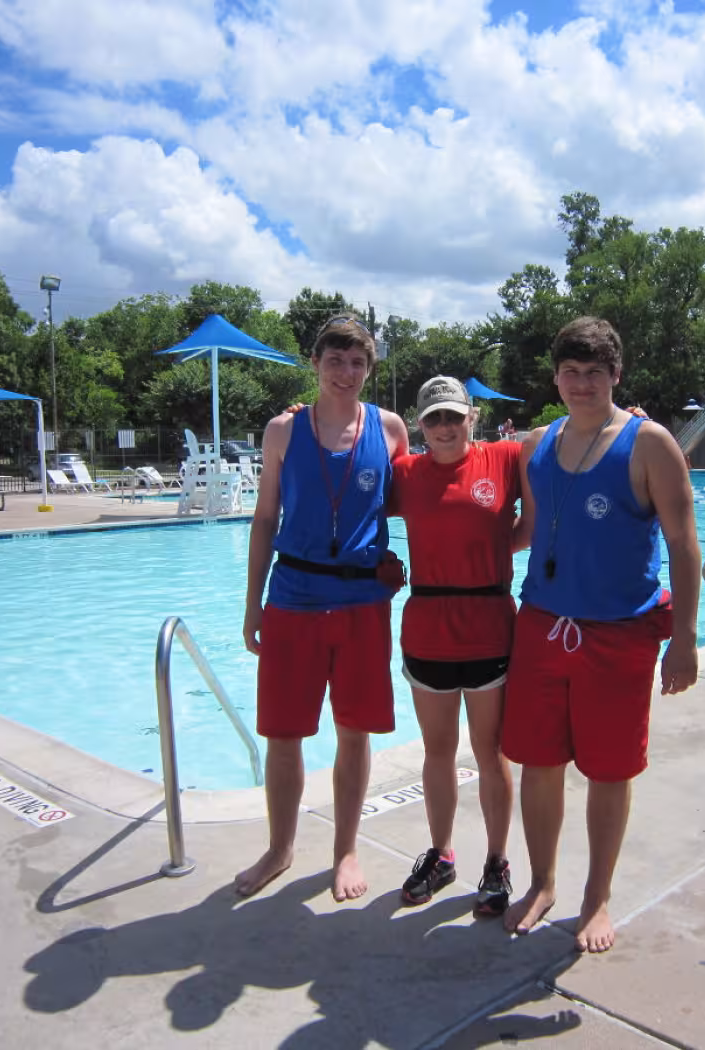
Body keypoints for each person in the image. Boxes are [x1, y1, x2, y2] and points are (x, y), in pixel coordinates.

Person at [501, 316, 701, 954]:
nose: (580, 383)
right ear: (554, 377)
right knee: (538, 761)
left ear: (615, 376)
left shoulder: (649, 444)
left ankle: (597, 897)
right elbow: (525, 523)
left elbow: (684, 545)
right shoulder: (538, 442)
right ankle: (541, 883)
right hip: (540, 626)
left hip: (617, 635)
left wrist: (687, 638)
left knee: (609, 770)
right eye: (569, 372)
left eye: (594, 372)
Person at [237, 314, 410, 902]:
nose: (346, 372)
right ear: (315, 364)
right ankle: (280, 848)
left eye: (358, 362)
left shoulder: (389, 430)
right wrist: (253, 603)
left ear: (370, 368)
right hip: (294, 597)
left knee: (354, 733)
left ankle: (346, 850)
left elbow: (424, 497)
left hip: (362, 602)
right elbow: (265, 520)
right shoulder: (282, 432)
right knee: (283, 733)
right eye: (335, 361)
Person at [389, 376, 523, 916]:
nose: (444, 427)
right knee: (438, 752)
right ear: (420, 425)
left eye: (453, 416)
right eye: (433, 418)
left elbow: (568, 435)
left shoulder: (506, 460)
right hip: (428, 627)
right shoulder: (406, 473)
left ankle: (496, 861)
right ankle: (442, 856)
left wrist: (628, 418)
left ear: (472, 418)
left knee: (491, 753)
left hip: (489, 625)